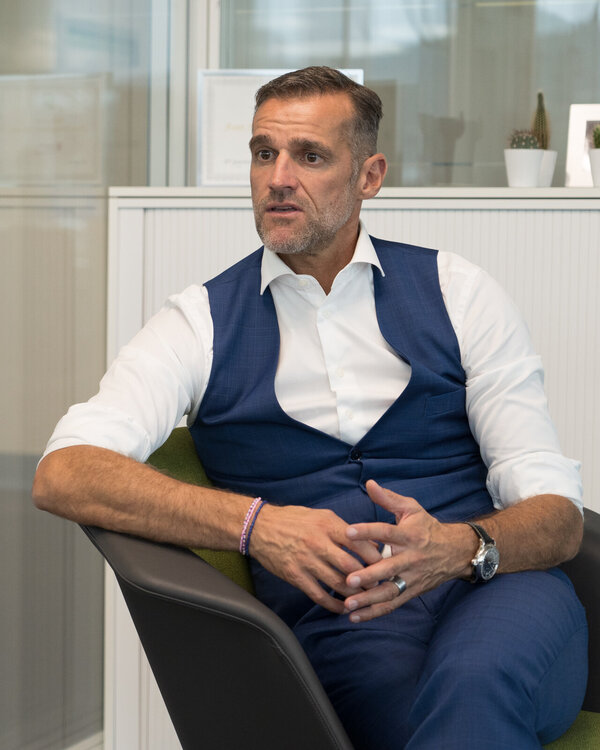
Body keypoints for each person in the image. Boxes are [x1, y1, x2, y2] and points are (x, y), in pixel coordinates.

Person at [33, 66, 587, 749]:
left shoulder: (460, 293)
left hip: (499, 593)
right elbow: (64, 472)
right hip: (349, 628)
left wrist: (459, 547)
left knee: (477, 682)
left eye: (310, 156)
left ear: (369, 176)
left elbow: (557, 515)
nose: (278, 178)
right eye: (264, 153)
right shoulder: (198, 323)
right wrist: (256, 524)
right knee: (425, 718)